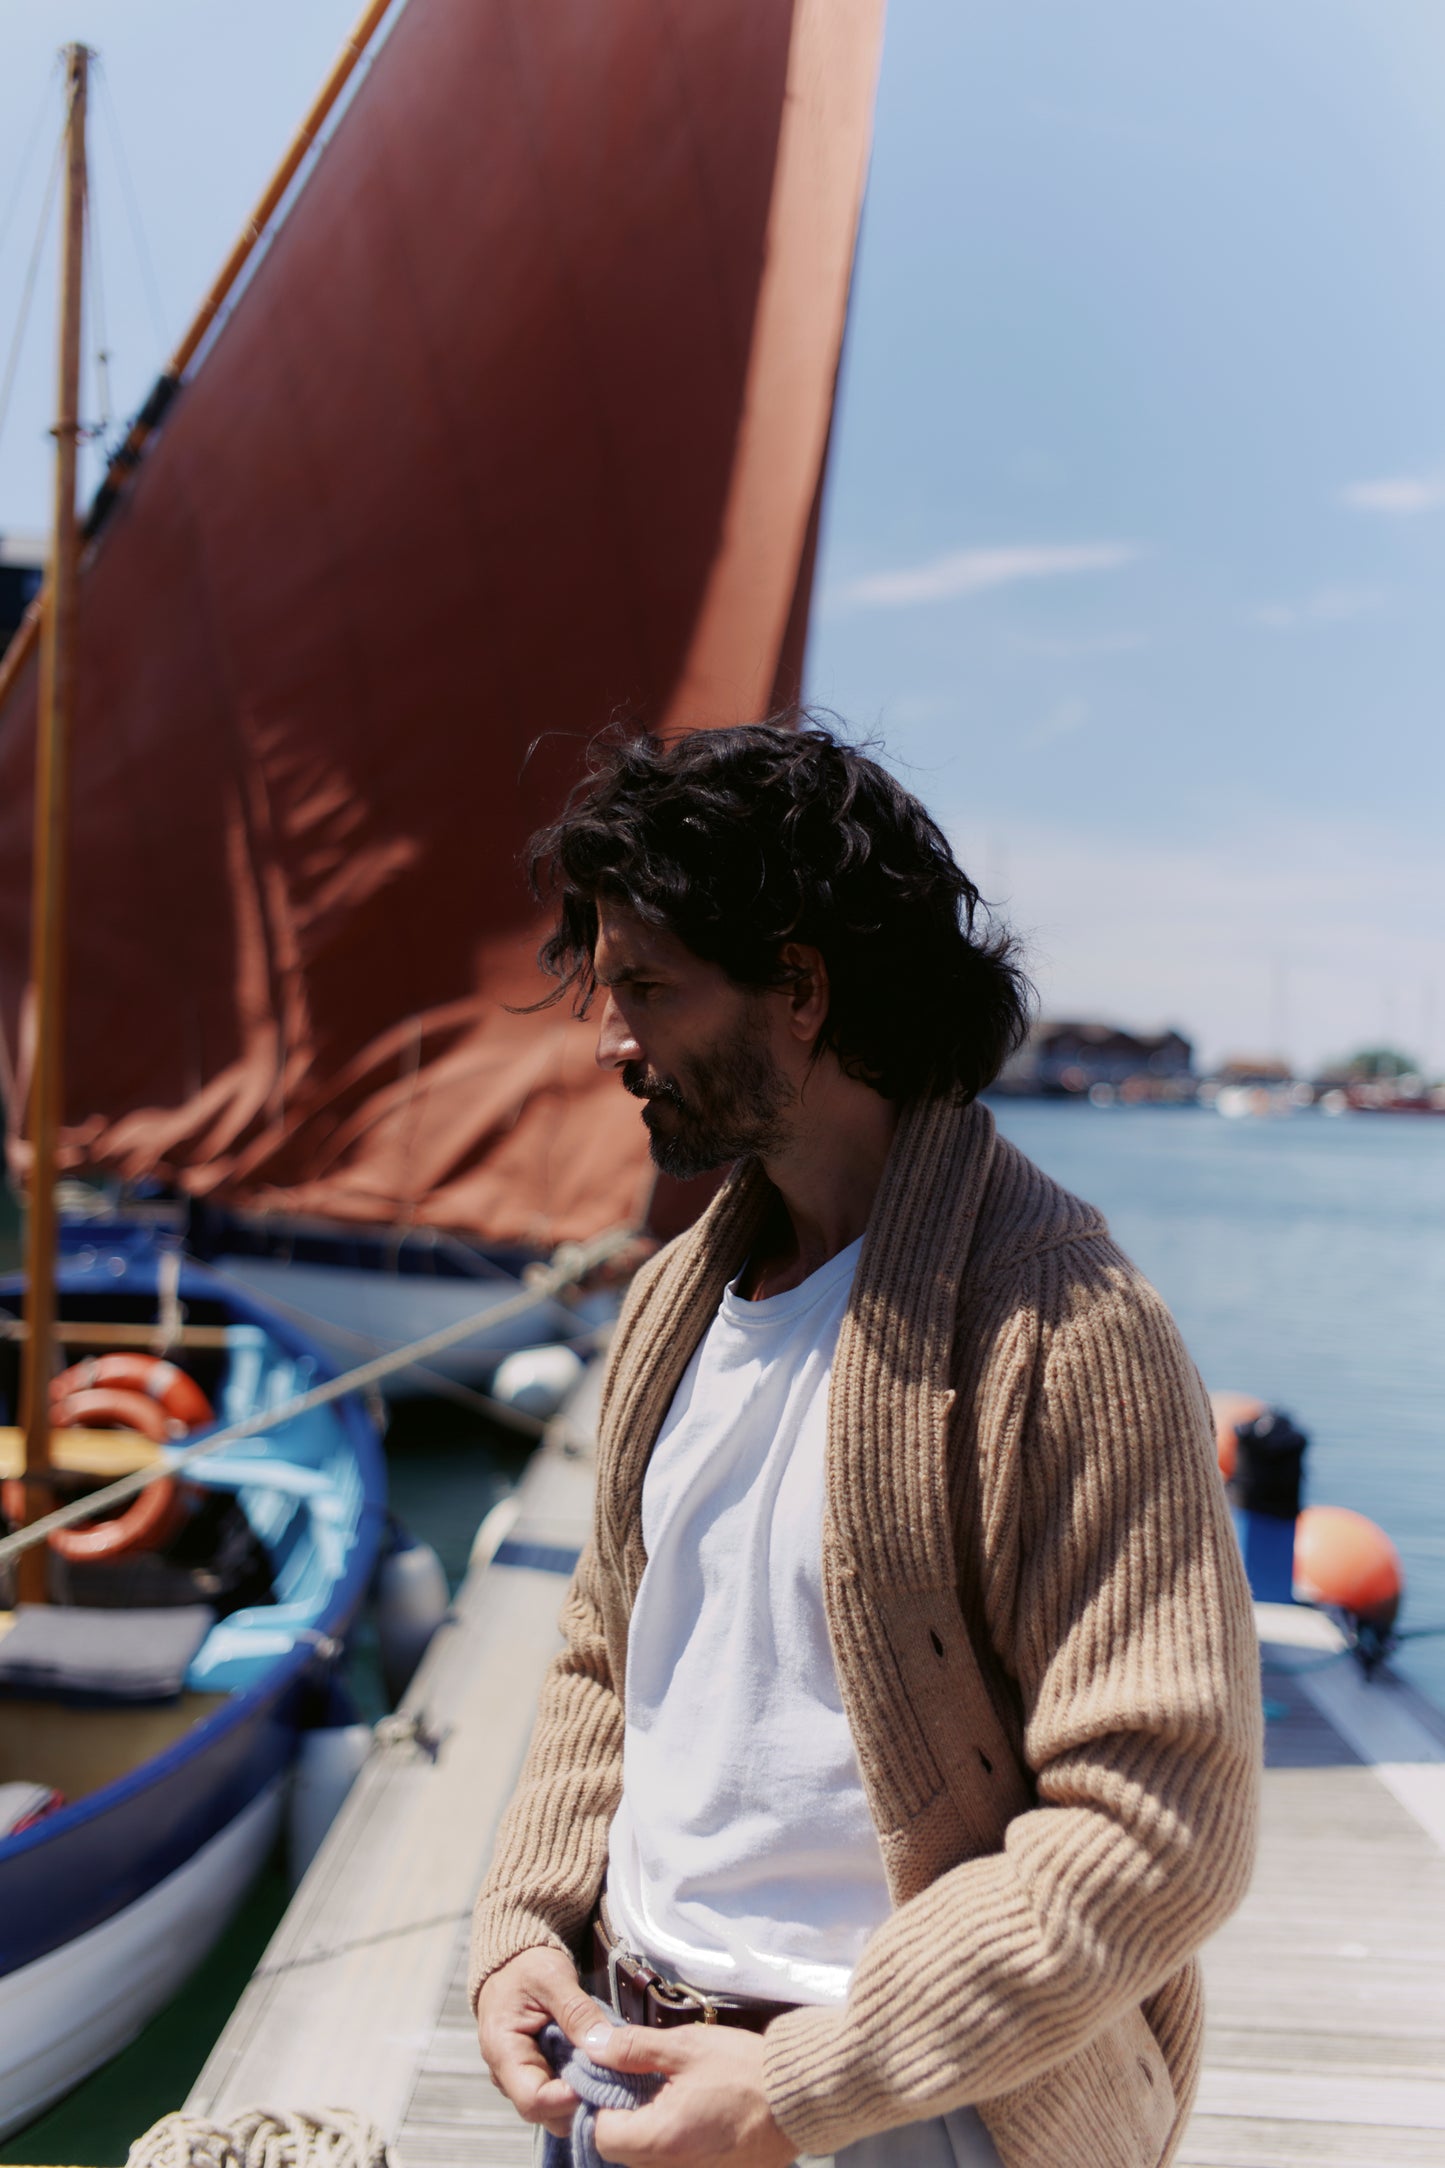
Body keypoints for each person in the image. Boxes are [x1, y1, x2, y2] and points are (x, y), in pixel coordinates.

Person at [471, 722, 1262, 2168]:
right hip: (620, 2064)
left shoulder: (1065, 1329)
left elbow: (1159, 1820)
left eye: (648, 986)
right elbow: (606, 1653)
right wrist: (527, 1922)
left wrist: (804, 2085)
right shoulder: (674, 1300)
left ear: (800, 986)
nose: (612, 1040)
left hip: (899, 2112)